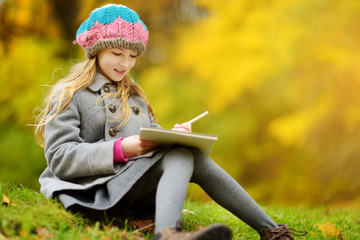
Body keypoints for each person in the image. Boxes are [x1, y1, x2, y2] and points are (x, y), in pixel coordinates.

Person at [35, 4, 307, 240]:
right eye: (117, 53)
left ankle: (272, 232)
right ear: (96, 52)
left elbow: (147, 139)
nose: (126, 63)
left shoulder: (134, 95)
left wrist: (169, 134)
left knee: (186, 153)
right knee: (180, 155)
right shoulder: (70, 94)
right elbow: (59, 157)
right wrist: (121, 149)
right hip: (91, 193)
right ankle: (168, 233)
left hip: (131, 189)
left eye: (132, 56)